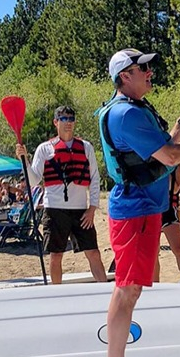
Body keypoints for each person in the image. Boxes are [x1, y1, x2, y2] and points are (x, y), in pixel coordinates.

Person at [97, 48, 180, 357]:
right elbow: (171, 155)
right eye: (142, 68)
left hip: (143, 210)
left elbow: (163, 146)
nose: (149, 73)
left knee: (132, 288)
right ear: (125, 76)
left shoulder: (134, 110)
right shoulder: (126, 115)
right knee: (126, 289)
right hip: (135, 211)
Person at [16, 105, 107, 285]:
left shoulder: (86, 147)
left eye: (71, 119)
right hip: (54, 209)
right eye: (64, 119)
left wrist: (92, 208)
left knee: (93, 252)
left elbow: (95, 179)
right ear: (56, 122)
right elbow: (34, 180)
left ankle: (104, 290)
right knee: (56, 255)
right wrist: (24, 159)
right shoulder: (44, 149)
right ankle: (56, 293)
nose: (68, 123)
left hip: (81, 210)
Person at [153, 167, 180, 281]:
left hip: (168, 211)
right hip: (152, 210)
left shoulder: (176, 167)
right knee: (153, 253)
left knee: (178, 249)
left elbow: (174, 189)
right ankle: (155, 285)